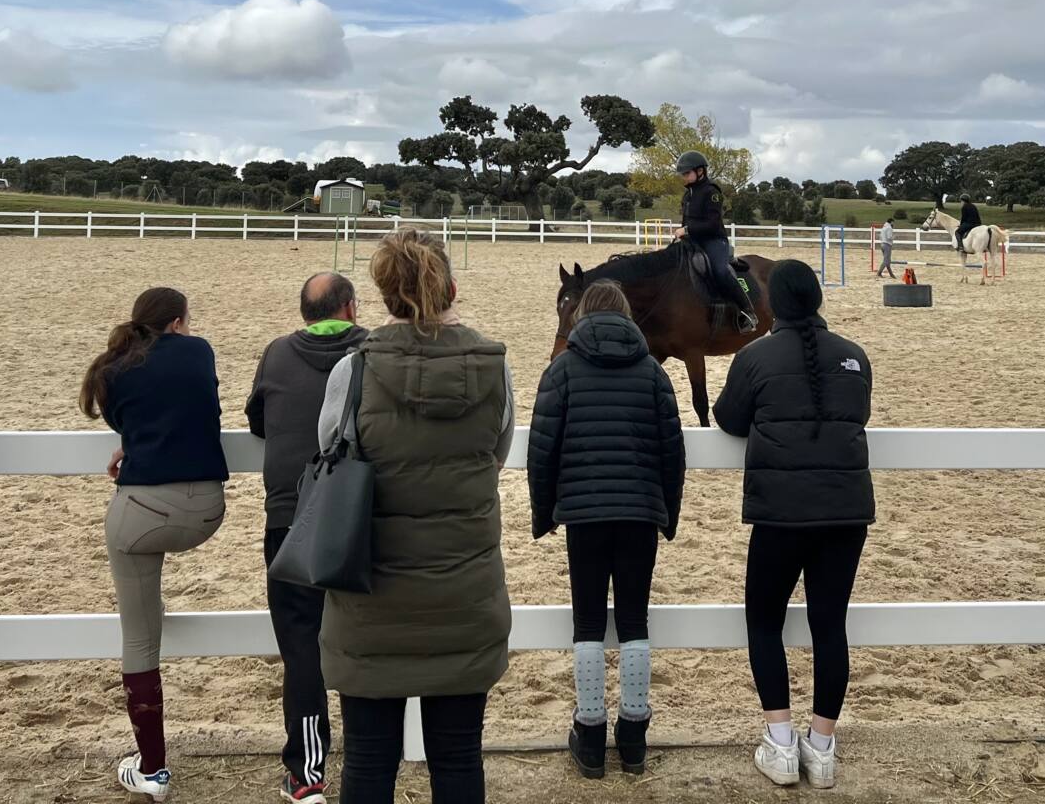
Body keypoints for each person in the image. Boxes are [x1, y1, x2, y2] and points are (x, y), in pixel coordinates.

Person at [317, 229, 514, 804]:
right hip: (464, 596)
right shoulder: (492, 366)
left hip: (372, 598)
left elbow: (331, 449)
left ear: (383, 296)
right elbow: (496, 456)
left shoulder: (353, 372)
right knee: (457, 760)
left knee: (369, 764)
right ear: (450, 286)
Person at [712, 260, 873, 791]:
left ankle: (780, 743)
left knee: (763, 622)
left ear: (772, 303)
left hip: (780, 513)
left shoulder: (754, 356)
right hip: (845, 511)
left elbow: (729, 419)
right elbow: (859, 415)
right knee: (831, 627)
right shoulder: (854, 357)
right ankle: (821, 748)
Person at [528, 279, 685, 779]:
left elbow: (541, 450)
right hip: (640, 511)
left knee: (588, 622)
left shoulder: (563, 369)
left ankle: (590, 735)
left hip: (584, 514)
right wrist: (669, 513)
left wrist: (544, 513)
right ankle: (634, 737)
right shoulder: (652, 374)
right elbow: (672, 454)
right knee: (636, 622)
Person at [79, 287, 229, 802]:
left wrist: (133, 445)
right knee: (146, 619)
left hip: (142, 513)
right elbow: (196, 406)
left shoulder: (113, 366)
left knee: (139, 639)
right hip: (208, 508)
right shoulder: (200, 350)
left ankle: (154, 768)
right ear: (179, 322)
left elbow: (129, 419)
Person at [245, 272, 369, 804]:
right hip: (360, 517)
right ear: (350, 307)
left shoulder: (276, 354)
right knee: (367, 641)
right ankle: (369, 758)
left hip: (291, 515)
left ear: (304, 312)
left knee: (301, 647)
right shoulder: (371, 350)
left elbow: (257, 423)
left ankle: (307, 773)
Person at [678, 149, 755, 330]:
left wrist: (687, 230)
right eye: (683, 174)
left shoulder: (712, 192)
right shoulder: (687, 194)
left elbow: (712, 224)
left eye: (687, 173)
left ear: (700, 171)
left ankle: (747, 312)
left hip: (714, 241)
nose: (684, 177)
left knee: (720, 271)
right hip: (693, 241)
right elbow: (686, 220)